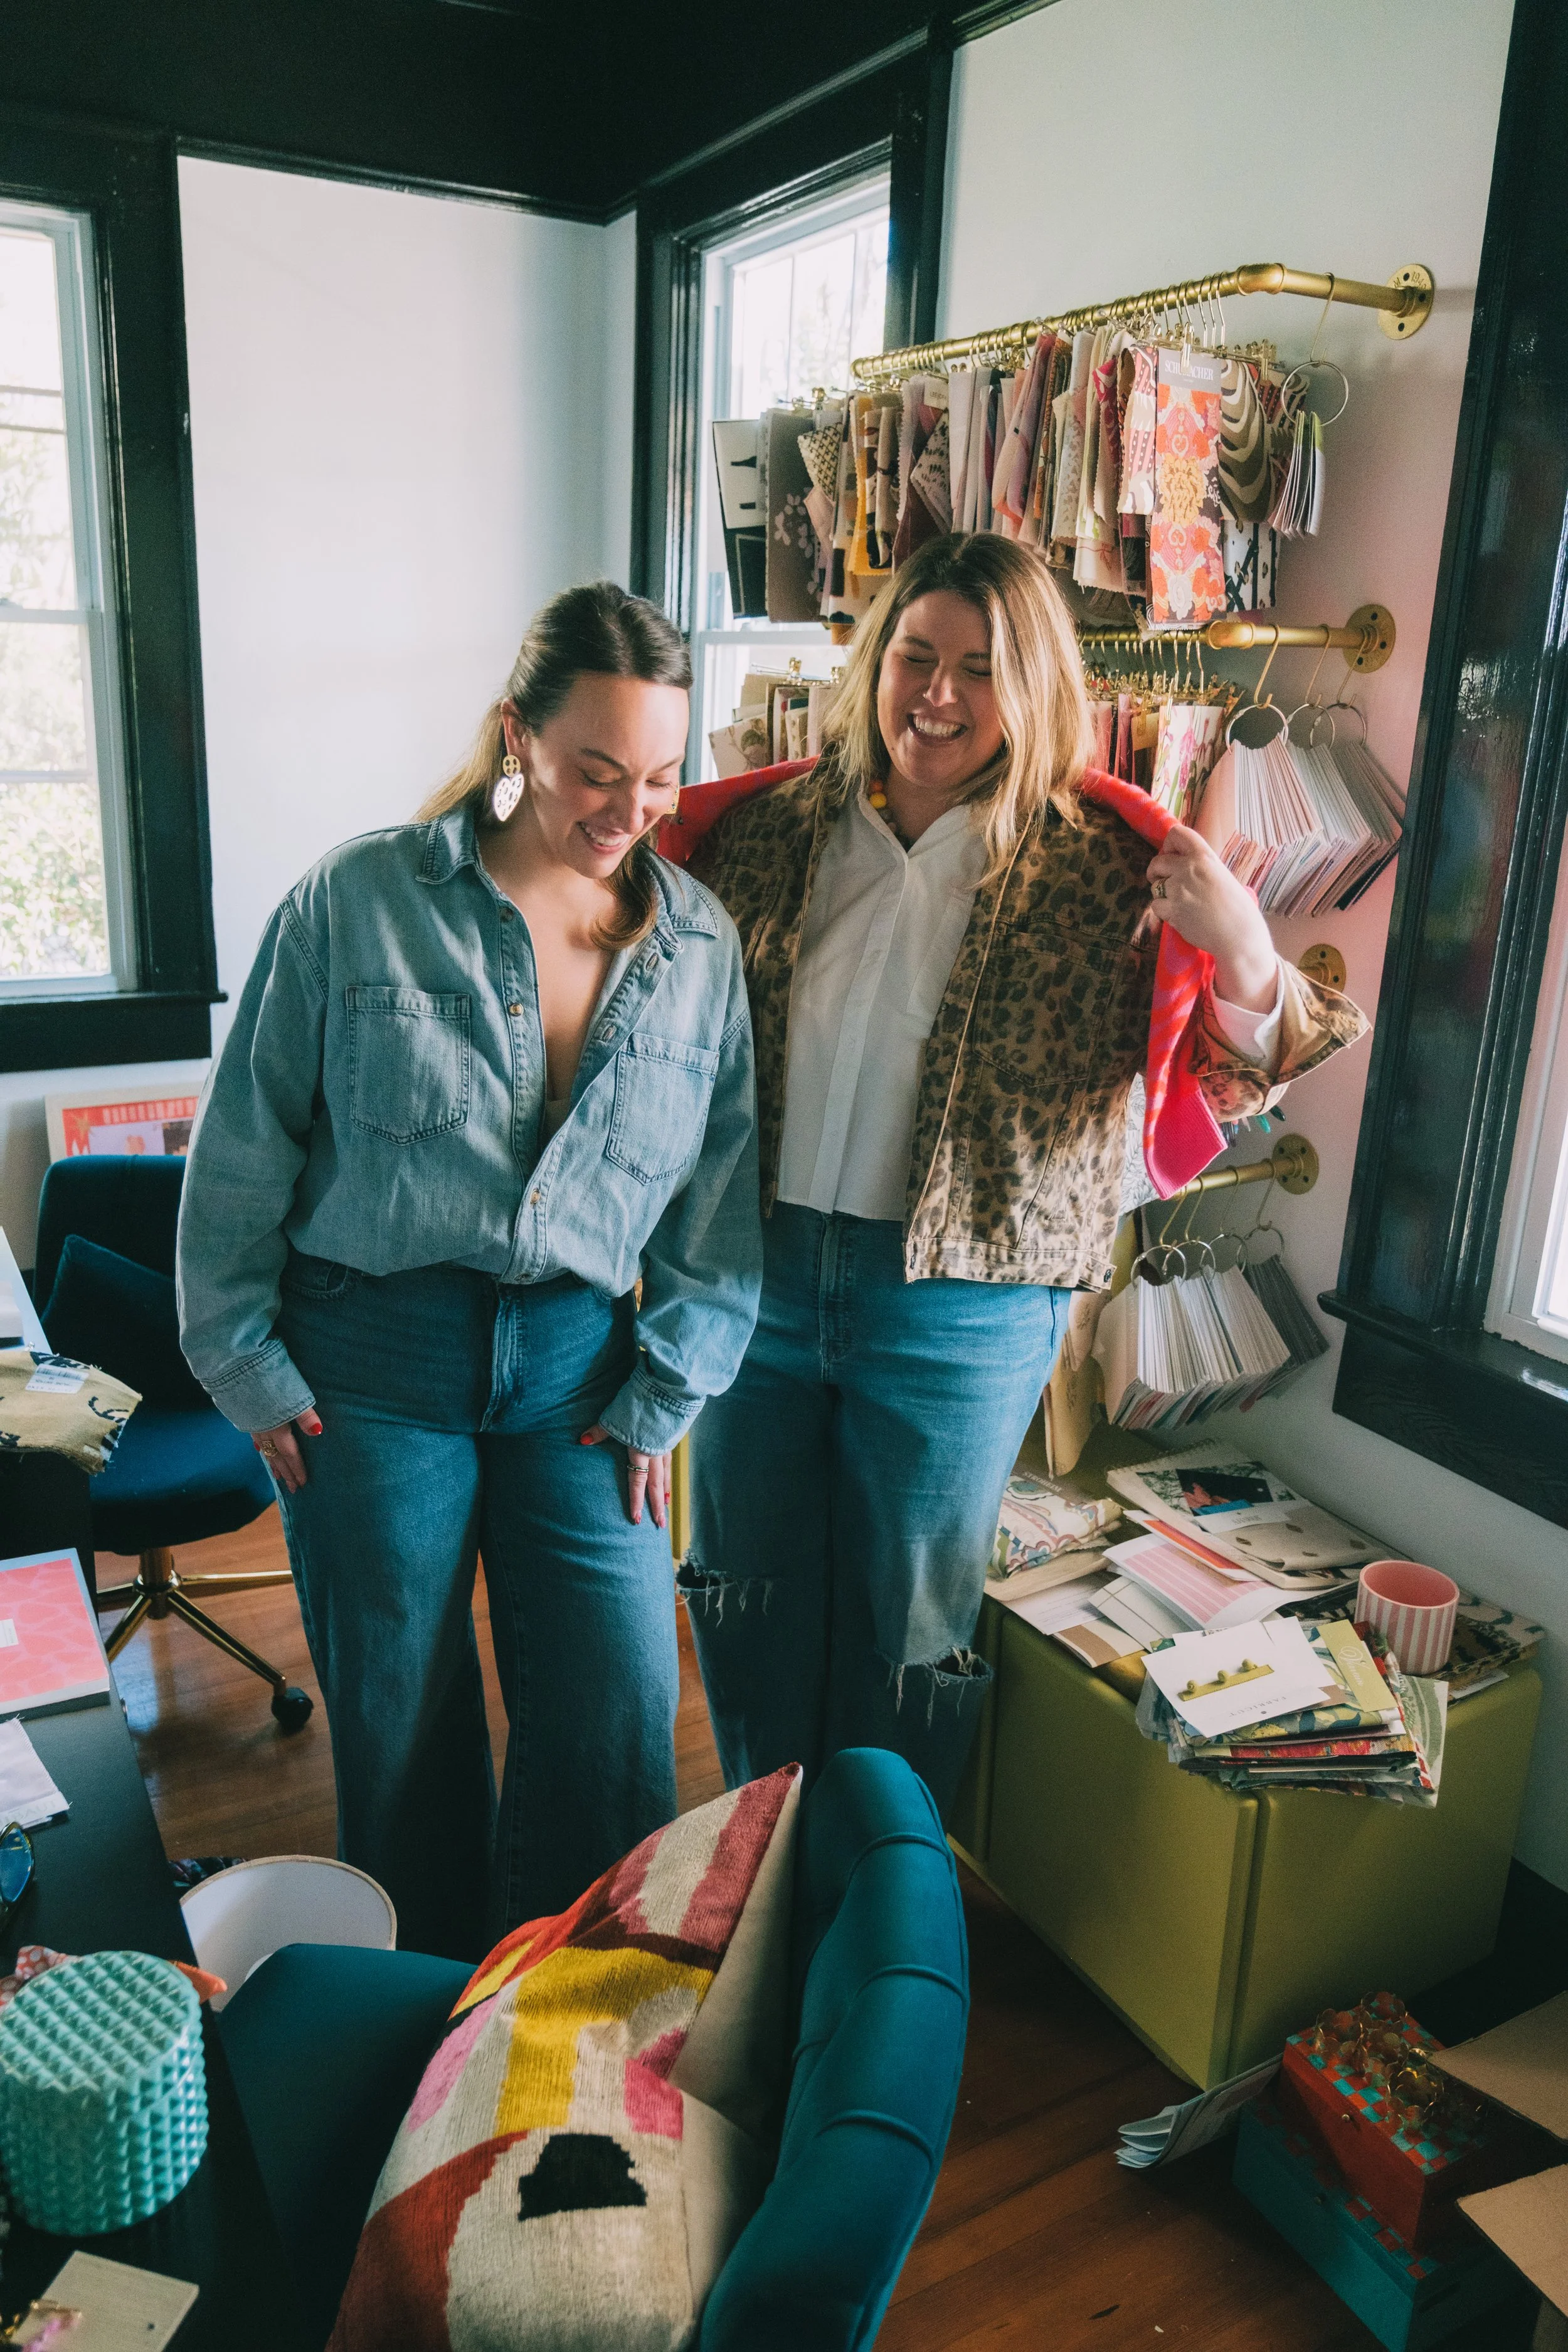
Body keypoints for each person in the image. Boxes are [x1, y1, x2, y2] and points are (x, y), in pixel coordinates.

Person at [682, 532, 1365, 1813]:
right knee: (747, 1582)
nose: (935, 694)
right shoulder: (769, 833)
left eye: (979, 668)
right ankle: (751, 1862)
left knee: (913, 1620)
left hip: (964, 1303)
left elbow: (1237, 1072)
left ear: (1034, 685)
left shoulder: (1103, 862)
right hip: (752, 1274)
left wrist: (1245, 954)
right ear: (874, 663)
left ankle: (880, 1900)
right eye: (915, 656)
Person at [176, 582, 761, 1960]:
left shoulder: (696, 948)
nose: (630, 812)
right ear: (519, 737)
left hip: (581, 1371)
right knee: (401, 1723)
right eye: (595, 772)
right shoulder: (356, 902)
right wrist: (245, 1368)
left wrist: (666, 1387)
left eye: (663, 778)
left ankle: (554, 2018)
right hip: (367, 1371)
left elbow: (716, 1201)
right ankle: (419, 2009)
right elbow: (243, 1151)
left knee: (617, 1717)